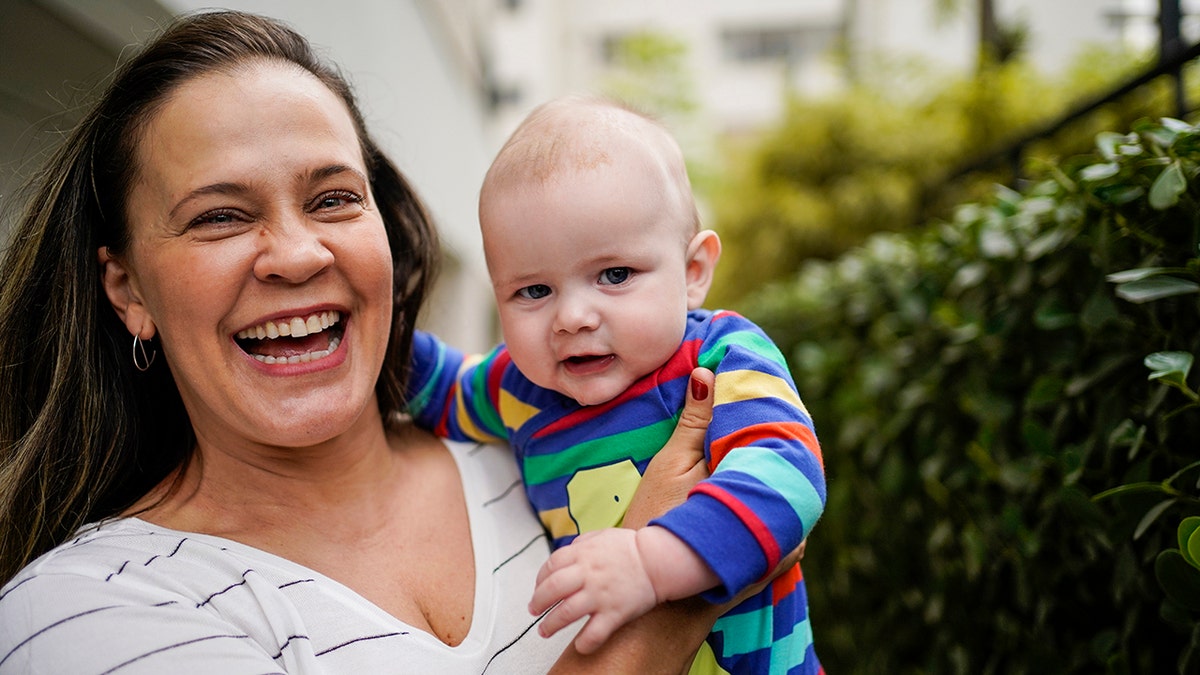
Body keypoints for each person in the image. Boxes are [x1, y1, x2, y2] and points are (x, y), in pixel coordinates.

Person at [0, 11, 762, 673]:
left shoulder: (529, 436)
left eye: (333, 198)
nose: (298, 255)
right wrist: (679, 574)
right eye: (220, 216)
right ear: (128, 288)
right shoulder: (86, 607)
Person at [405, 96, 825, 674]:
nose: (572, 316)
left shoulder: (718, 356)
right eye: (533, 291)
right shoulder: (517, 387)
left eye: (615, 275)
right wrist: (372, 333)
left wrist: (652, 562)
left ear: (694, 271)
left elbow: (787, 476)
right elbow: (441, 387)